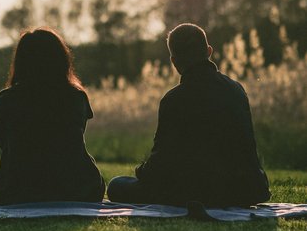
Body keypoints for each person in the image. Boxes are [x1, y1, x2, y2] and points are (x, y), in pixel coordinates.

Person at [107, 23, 270, 207]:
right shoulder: (237, 90)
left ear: (174, 61)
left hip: (199, 191)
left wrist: (142, 172)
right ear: (209, 51)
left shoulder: (174, 100)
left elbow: (161, 161)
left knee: (117, 185)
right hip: (246, 190)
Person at [0, 27, 105, 206]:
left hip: (16, 191)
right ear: (61, 60)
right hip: (79, 189)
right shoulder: (76, 97)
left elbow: (4, 143)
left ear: (20, 62)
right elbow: (74, 139)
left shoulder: (6, 99)